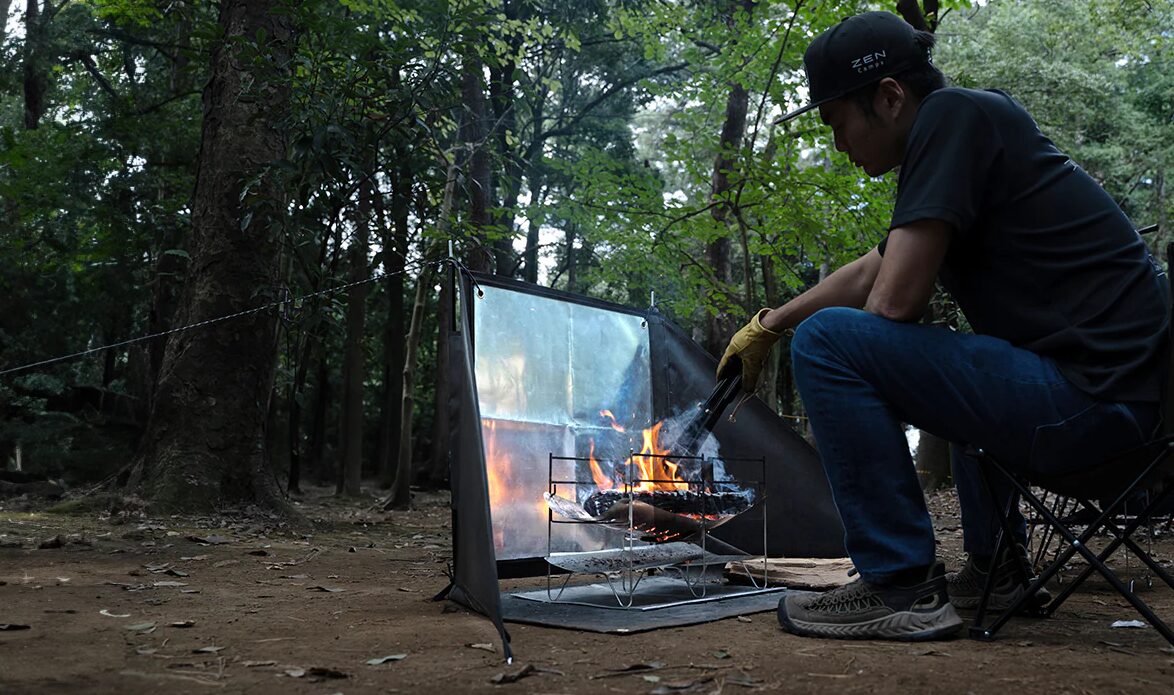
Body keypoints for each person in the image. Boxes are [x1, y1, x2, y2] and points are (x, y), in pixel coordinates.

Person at [717, 11, 1169, 641]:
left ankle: (898, 583)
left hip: (1104, 409)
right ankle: (996, 571)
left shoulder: (953, 117)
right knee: (949, 354)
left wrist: (824, 347)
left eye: (838, 122)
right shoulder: (965, 129)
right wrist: (769, 324)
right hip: (1123, 409)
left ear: (890, 97)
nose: (839, 144)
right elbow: (873, 267)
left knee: (828, 343)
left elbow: (891, 304)